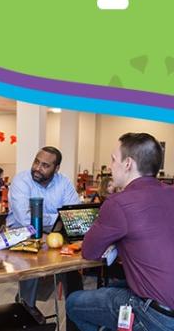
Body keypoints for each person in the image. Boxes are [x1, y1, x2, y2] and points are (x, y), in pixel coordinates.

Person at [67, 133, 174, 331]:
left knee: (74, 302)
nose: (110, 166)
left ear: (128, 164)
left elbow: (89, 252)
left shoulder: (119, 203)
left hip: (158, 314)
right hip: (167, 302)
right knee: (114, 288)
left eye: (113, 159)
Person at [7, 147, 82, 313]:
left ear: (56, 169)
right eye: (36, 162)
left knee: (71, 263)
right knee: (33, 258)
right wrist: (57, 216)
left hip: (55, 235)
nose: (37, 168)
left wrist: (47, 218)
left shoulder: (64, 182)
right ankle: (27, 307)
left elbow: (73, 214)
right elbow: (26, 219)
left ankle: (75, 311)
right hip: (23, 234)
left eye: (45, 165)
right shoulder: (21, 180)